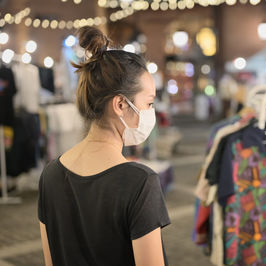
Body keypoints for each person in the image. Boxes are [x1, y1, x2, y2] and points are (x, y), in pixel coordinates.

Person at [38, 26, 170, 266]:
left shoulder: (51, 174)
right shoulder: (140, 182)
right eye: (149, 103)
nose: (151, 112)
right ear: (120, 104)